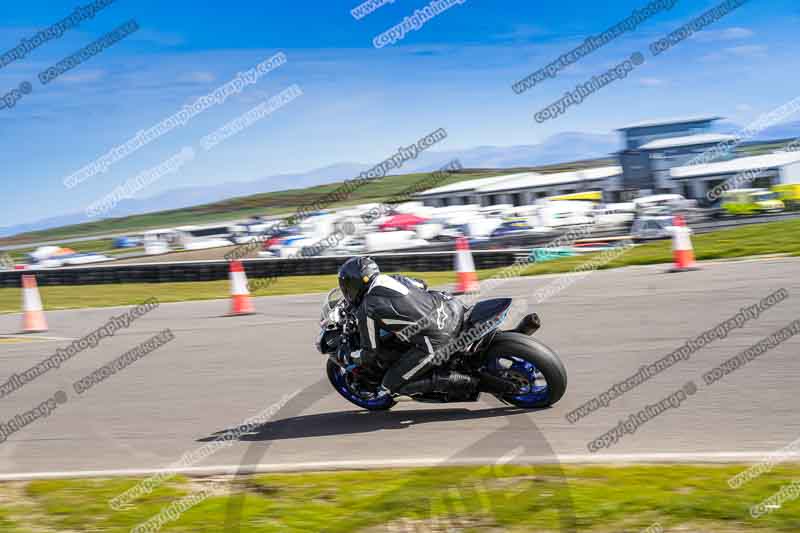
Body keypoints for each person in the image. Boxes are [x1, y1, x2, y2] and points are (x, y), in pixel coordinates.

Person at [337, 256, 475, 398]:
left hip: (438, 337)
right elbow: (422, 285)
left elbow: (369, 353)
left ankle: (466, 384)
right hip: (452, 307)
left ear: (355, 284)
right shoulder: (392, 279)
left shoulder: (366, 309)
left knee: (391, 385)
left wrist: (350, 357)